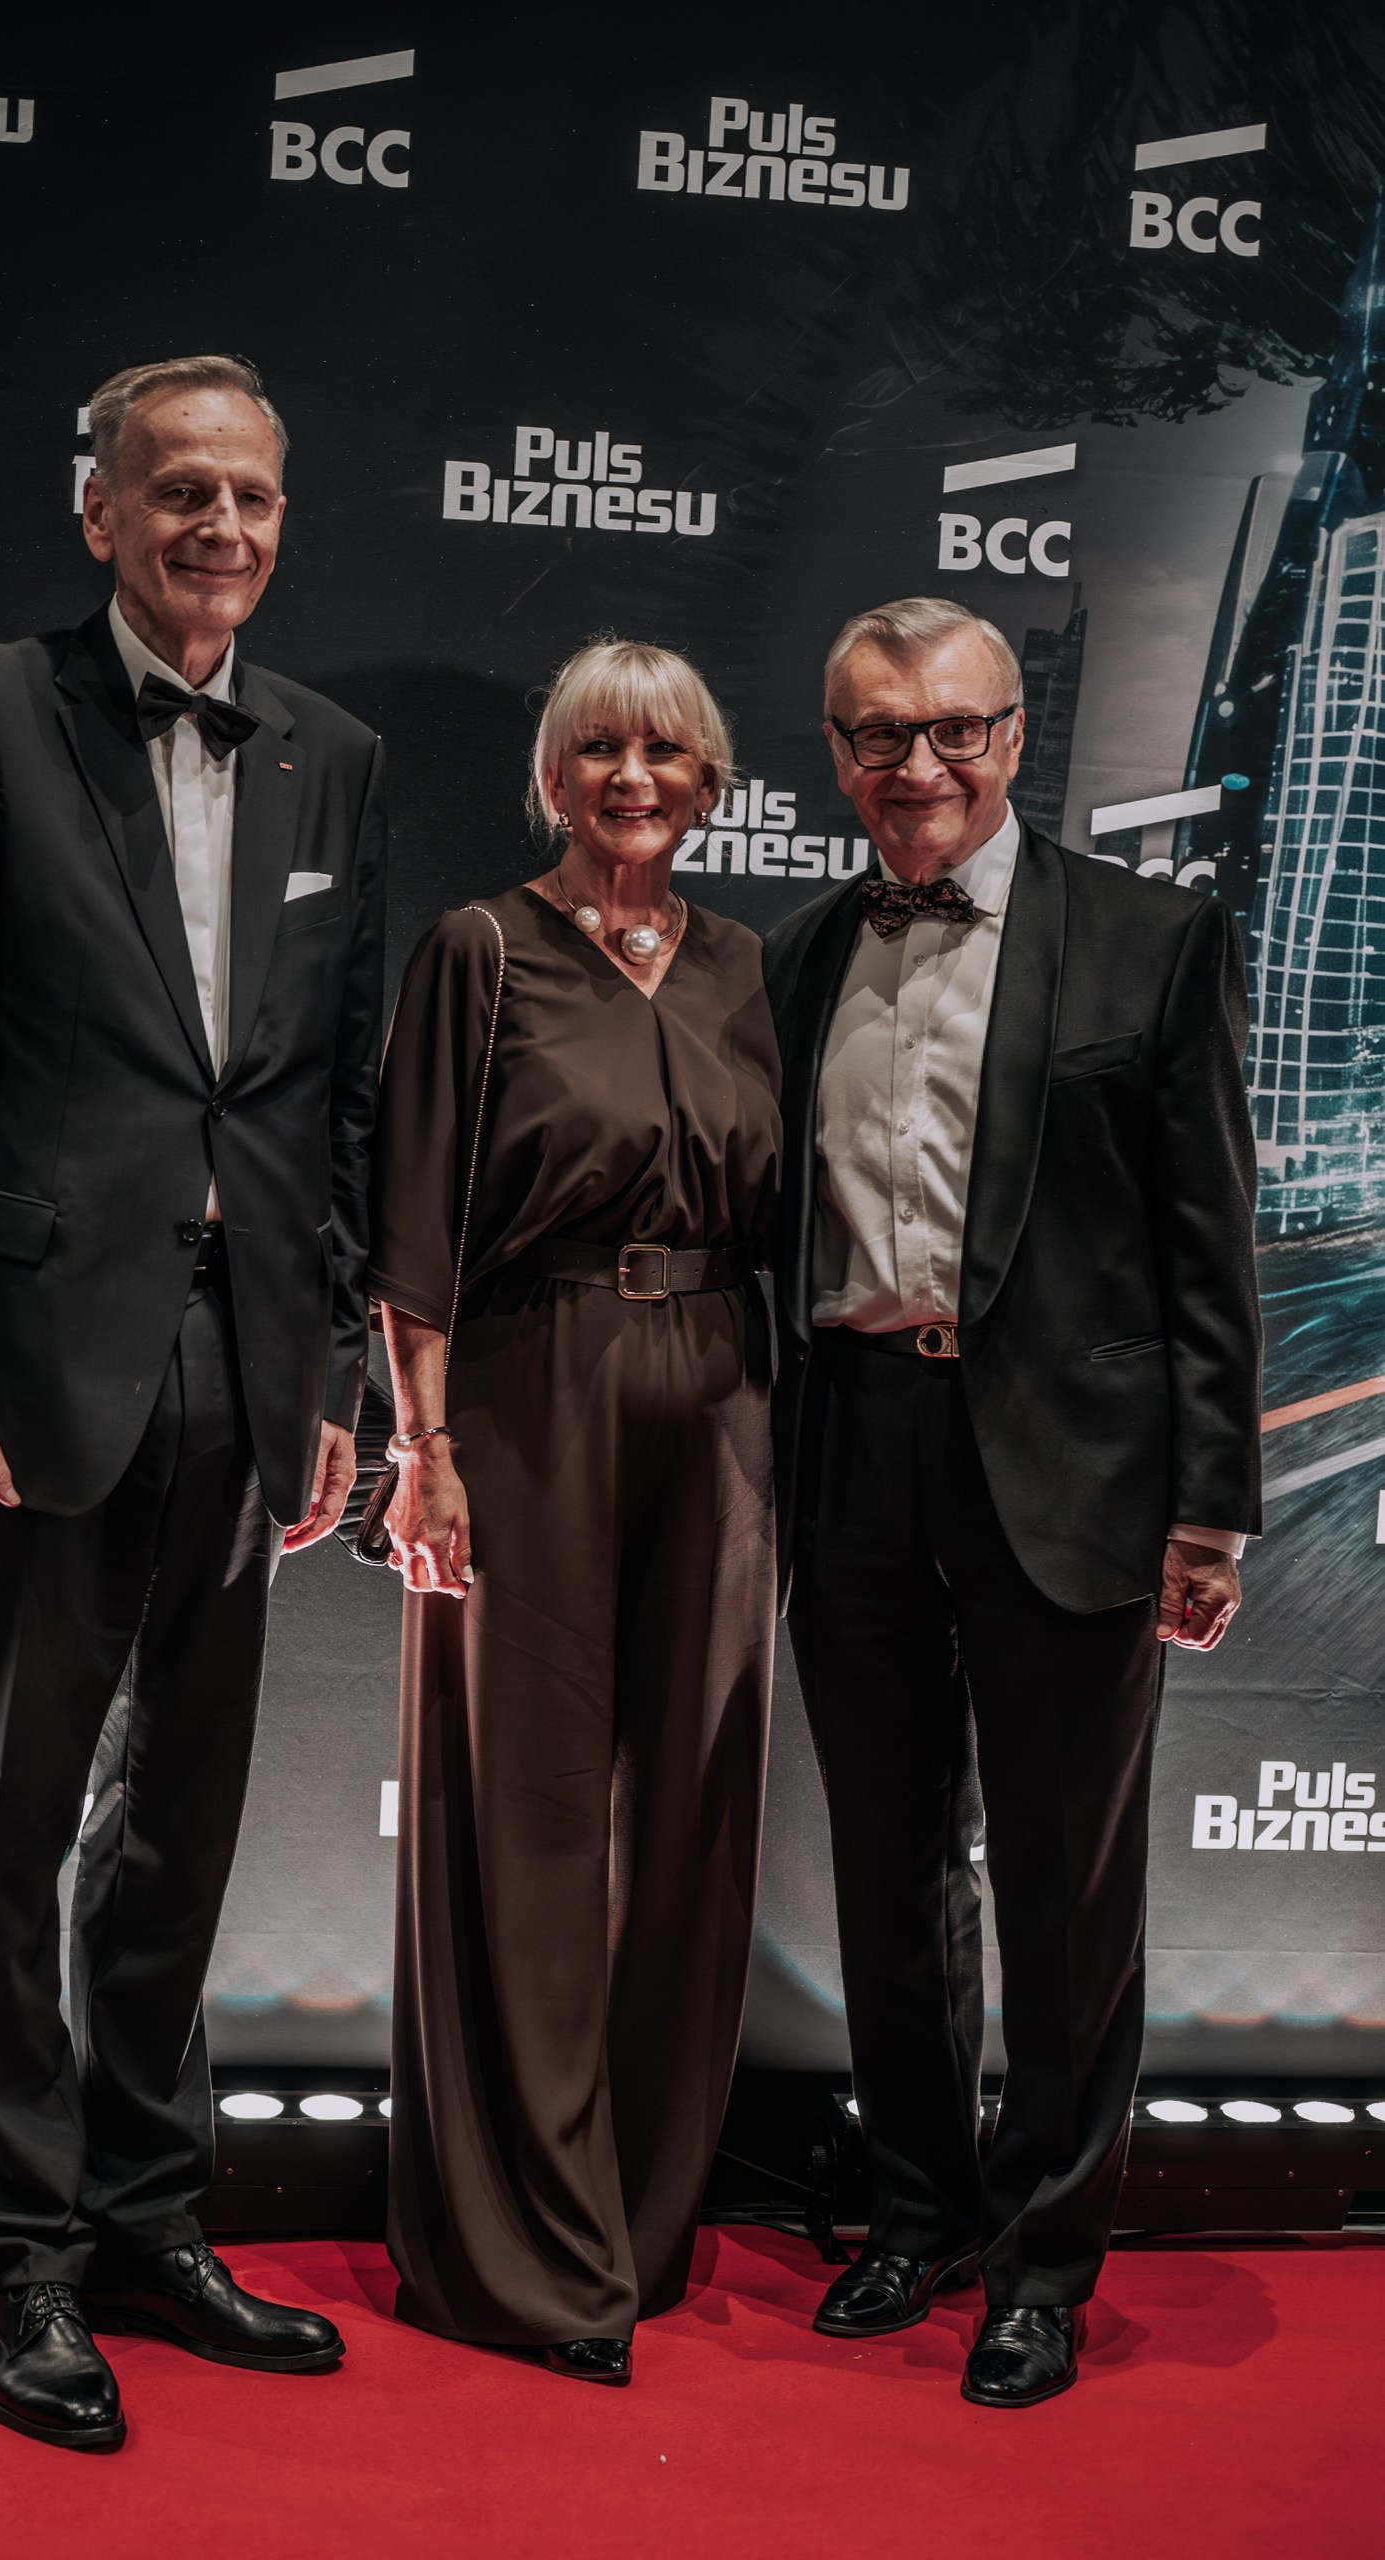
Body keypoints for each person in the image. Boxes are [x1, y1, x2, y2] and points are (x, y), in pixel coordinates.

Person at [0, 354, 386, 2451]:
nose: (220, 526)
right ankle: (21, 2247)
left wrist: (331, 1371)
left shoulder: (335, 753)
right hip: (30, 1377)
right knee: (12, 1831)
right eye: (180, 491)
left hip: (247, 1375)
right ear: (99, 511)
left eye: (252, 495)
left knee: (181, 1824)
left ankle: (149, 2213)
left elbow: (332, 1104)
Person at [765, 596, 1261, 2409]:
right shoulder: (794, 956)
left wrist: (1209, 1508)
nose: (919, 765)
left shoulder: (1149, 937)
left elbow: (1211, 1245)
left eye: (954, 729)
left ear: (1014, 736)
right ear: (837, 750)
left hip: (1077, 1471)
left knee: (1064, 1887)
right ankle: (918, 2210)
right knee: (888, 1869)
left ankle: (1045, 2260)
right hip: (853, 1453)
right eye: (879, 733)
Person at [369, 640, 780, 2384]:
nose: (633, 777)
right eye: (598, 747)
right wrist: (424, 1447)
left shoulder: (751, 963)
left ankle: (642, 2213)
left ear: (711, 782)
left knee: (695, 1806)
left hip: (725, 1393)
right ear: (550, 776)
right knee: (521, 1815)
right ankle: (521, 2248)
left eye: (666, 750)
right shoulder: (480, 950)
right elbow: (411, 1232)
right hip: (526, 1390)